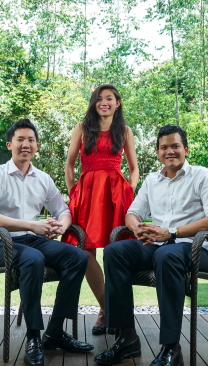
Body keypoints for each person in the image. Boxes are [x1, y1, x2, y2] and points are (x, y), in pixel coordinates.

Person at [94, 125, 208, 366]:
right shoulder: (152, 181)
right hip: (156, 245)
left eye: (175, 146)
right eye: (164, 147)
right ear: (157, 152)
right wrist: (137, 229)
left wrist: (173, 233)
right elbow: (132, 213)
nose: (170, 151)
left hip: (193, 248)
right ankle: (127, 338)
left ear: (185, 149)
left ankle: (171, 349)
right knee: (114, 251)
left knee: (165, 256)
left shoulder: (203, 176)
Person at [0, 119, 94, 366]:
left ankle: (54, 332)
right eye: (20, 139)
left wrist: (61, 226)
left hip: (32, 241)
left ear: (36, 146)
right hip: (0, 244)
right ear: (10, 144)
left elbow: (63, 209)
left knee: (78, 257)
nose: (25, 145)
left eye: (30, 140)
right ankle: (33, 337)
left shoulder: (42, 179)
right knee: (34, 259)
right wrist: (33, 225)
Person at [61, 84, 139, 335]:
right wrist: (75, 192)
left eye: (109, 98)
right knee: (85, 251)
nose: (104, 102)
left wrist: (130, 191)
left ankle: (105, 314)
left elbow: (134, 168)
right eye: (99, 99)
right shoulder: (82, 128)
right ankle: (108, 308)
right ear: (94, 103)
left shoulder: (125, 131)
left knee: (115, 251)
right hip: (87, 194)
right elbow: (70, 165)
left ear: (118, 103)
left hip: (116, 194)